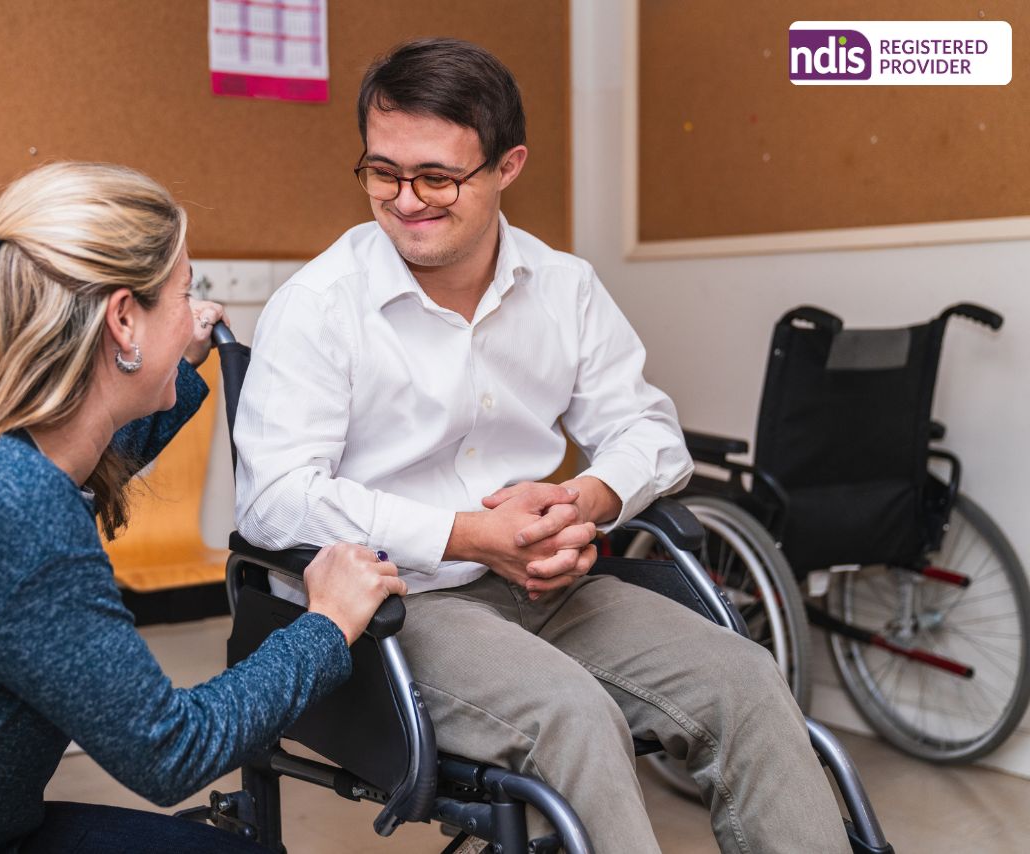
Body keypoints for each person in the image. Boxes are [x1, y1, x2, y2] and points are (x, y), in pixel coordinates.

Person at [234, 39, 851, 853]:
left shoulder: (564, 288)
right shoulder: (318, 306)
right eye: (383, 172)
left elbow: (647, 430)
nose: (405, 200)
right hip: (395, 601)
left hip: (546, 584)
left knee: (745, 680)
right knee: (572, 714)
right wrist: (465, 535)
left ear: (507, 166)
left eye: (438, 177)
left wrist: (583, 502)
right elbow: (273, 498)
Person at [0, 162, 406, 852]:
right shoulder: (12, 507)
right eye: (187, 293)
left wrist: (171, 370)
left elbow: (97, 456)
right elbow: (171, 750)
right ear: (124, 320)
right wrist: (327, 623)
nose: (196, 313)